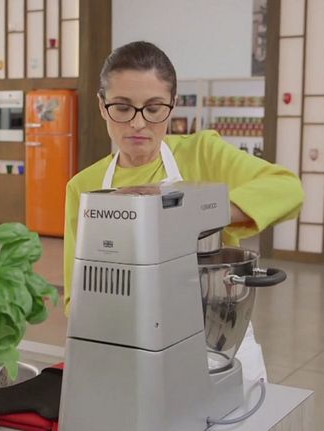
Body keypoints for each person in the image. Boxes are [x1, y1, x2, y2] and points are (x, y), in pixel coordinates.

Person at [63, 41, 304, 381]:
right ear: (102, 106)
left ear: (173, 105)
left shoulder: (202, 153)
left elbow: (288, 187)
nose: (138, 123)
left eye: (154, 108)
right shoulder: (84, 186)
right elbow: (76, 298)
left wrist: (196, 209)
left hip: (216, 339)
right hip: (130, 343)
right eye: (122, 107)